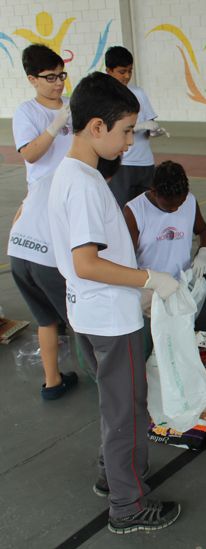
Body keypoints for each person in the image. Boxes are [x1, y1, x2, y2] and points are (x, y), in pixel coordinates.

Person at [47, 71, 181, 534]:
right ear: (96, 128)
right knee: (127, 408)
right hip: (109, 317)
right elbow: (86, 262)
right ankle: (128, 506)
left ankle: (113, 474)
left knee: (116, 401)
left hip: (90, 310)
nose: (130, 142)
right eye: (126, 131)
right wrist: (149, 278)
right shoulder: (84, 185)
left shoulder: (72, 174)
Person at [9, 44, 75, 399]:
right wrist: (55, 125)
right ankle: (56, 380)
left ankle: (57, 382)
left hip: (65, 204)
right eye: (49, 78)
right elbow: (31, 153)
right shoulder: (27, 112)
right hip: (44, 209)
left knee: (54, 311)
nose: (58, 84)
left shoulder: (71, 107)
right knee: (67, 308)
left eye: (61, 75)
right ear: (32, 79)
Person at [123, 160, 206, 340]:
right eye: (168, 207)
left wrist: (204, 251)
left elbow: (203, 230)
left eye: (179, 204)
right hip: (149, 288)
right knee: (157, 337)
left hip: (182, 282)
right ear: (153, 191)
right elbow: (125, 259)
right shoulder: (135, 211)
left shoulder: (190, 201)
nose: (175, 209)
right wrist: (149, 286)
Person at [105, 45, 168, 208]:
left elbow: (149, 123)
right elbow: (108, 130)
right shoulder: (104, 96)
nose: (127, 76)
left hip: (145, 162)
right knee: (122, 211)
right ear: (109, 71)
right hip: (121, 164)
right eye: (122, 71)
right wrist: (138, 126)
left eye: (130, 71)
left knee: (146, 210)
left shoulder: (138, 93)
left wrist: (153, 129)